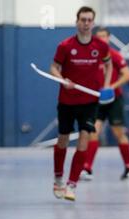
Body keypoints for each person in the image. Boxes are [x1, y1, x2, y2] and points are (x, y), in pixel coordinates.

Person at [50, 6, 113, 201]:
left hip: (89, 102)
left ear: (93, 23)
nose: (86, 24)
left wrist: (106, 85)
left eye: (89, 20)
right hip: (67, 101)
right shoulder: (65, 46)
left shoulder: (101, 46)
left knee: (84, 139)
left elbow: (109, 64)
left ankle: (72, 184)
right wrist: (62, 80)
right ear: (77, 22)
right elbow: (53, 67)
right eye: (82, 20)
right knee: (63, 139)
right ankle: (58, 178)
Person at [81, 26, 129, 181]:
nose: (101, 39)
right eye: (98, 37)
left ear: (109, 38)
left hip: (114, 100)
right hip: (96, 100)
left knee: (119, 133)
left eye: (104, 36)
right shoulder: (91, 56)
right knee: (93, 132)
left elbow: (127, 75)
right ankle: (87, 168)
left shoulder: (115, 55)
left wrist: (111, 87)